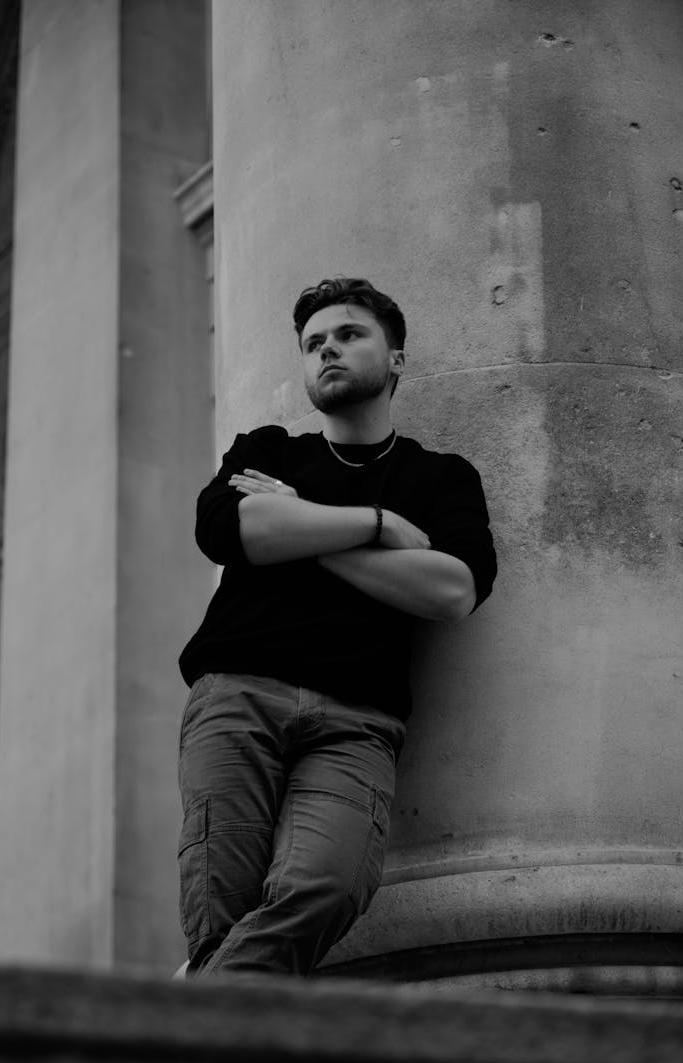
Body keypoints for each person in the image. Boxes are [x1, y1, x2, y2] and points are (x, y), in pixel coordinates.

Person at [177, 277, 496, 976]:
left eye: (349, 335)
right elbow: (233, 528)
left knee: (329, 886)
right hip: (238, 696)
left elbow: (452, 588)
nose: (328, 350)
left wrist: (305, 526)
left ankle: (176, 1016)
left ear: (396, 359)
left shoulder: (439, 477)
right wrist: (379, 527)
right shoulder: (268, 451)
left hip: (358, 717)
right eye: (313, 343)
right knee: (221, 914)